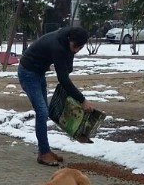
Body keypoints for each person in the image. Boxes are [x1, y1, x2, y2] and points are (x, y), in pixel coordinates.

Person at [18, 26, 95, 167]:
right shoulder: (58, 46)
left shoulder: (69, 39)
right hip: (28, 73)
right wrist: (82, 100)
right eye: (75, 46)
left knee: (44, 112)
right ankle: (43, 154)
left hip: (39, 73)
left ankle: (44, 150)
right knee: (42, 112)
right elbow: (63, 79)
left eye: (80, 47)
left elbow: (68, 67)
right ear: (69, 40)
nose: (76, 50)